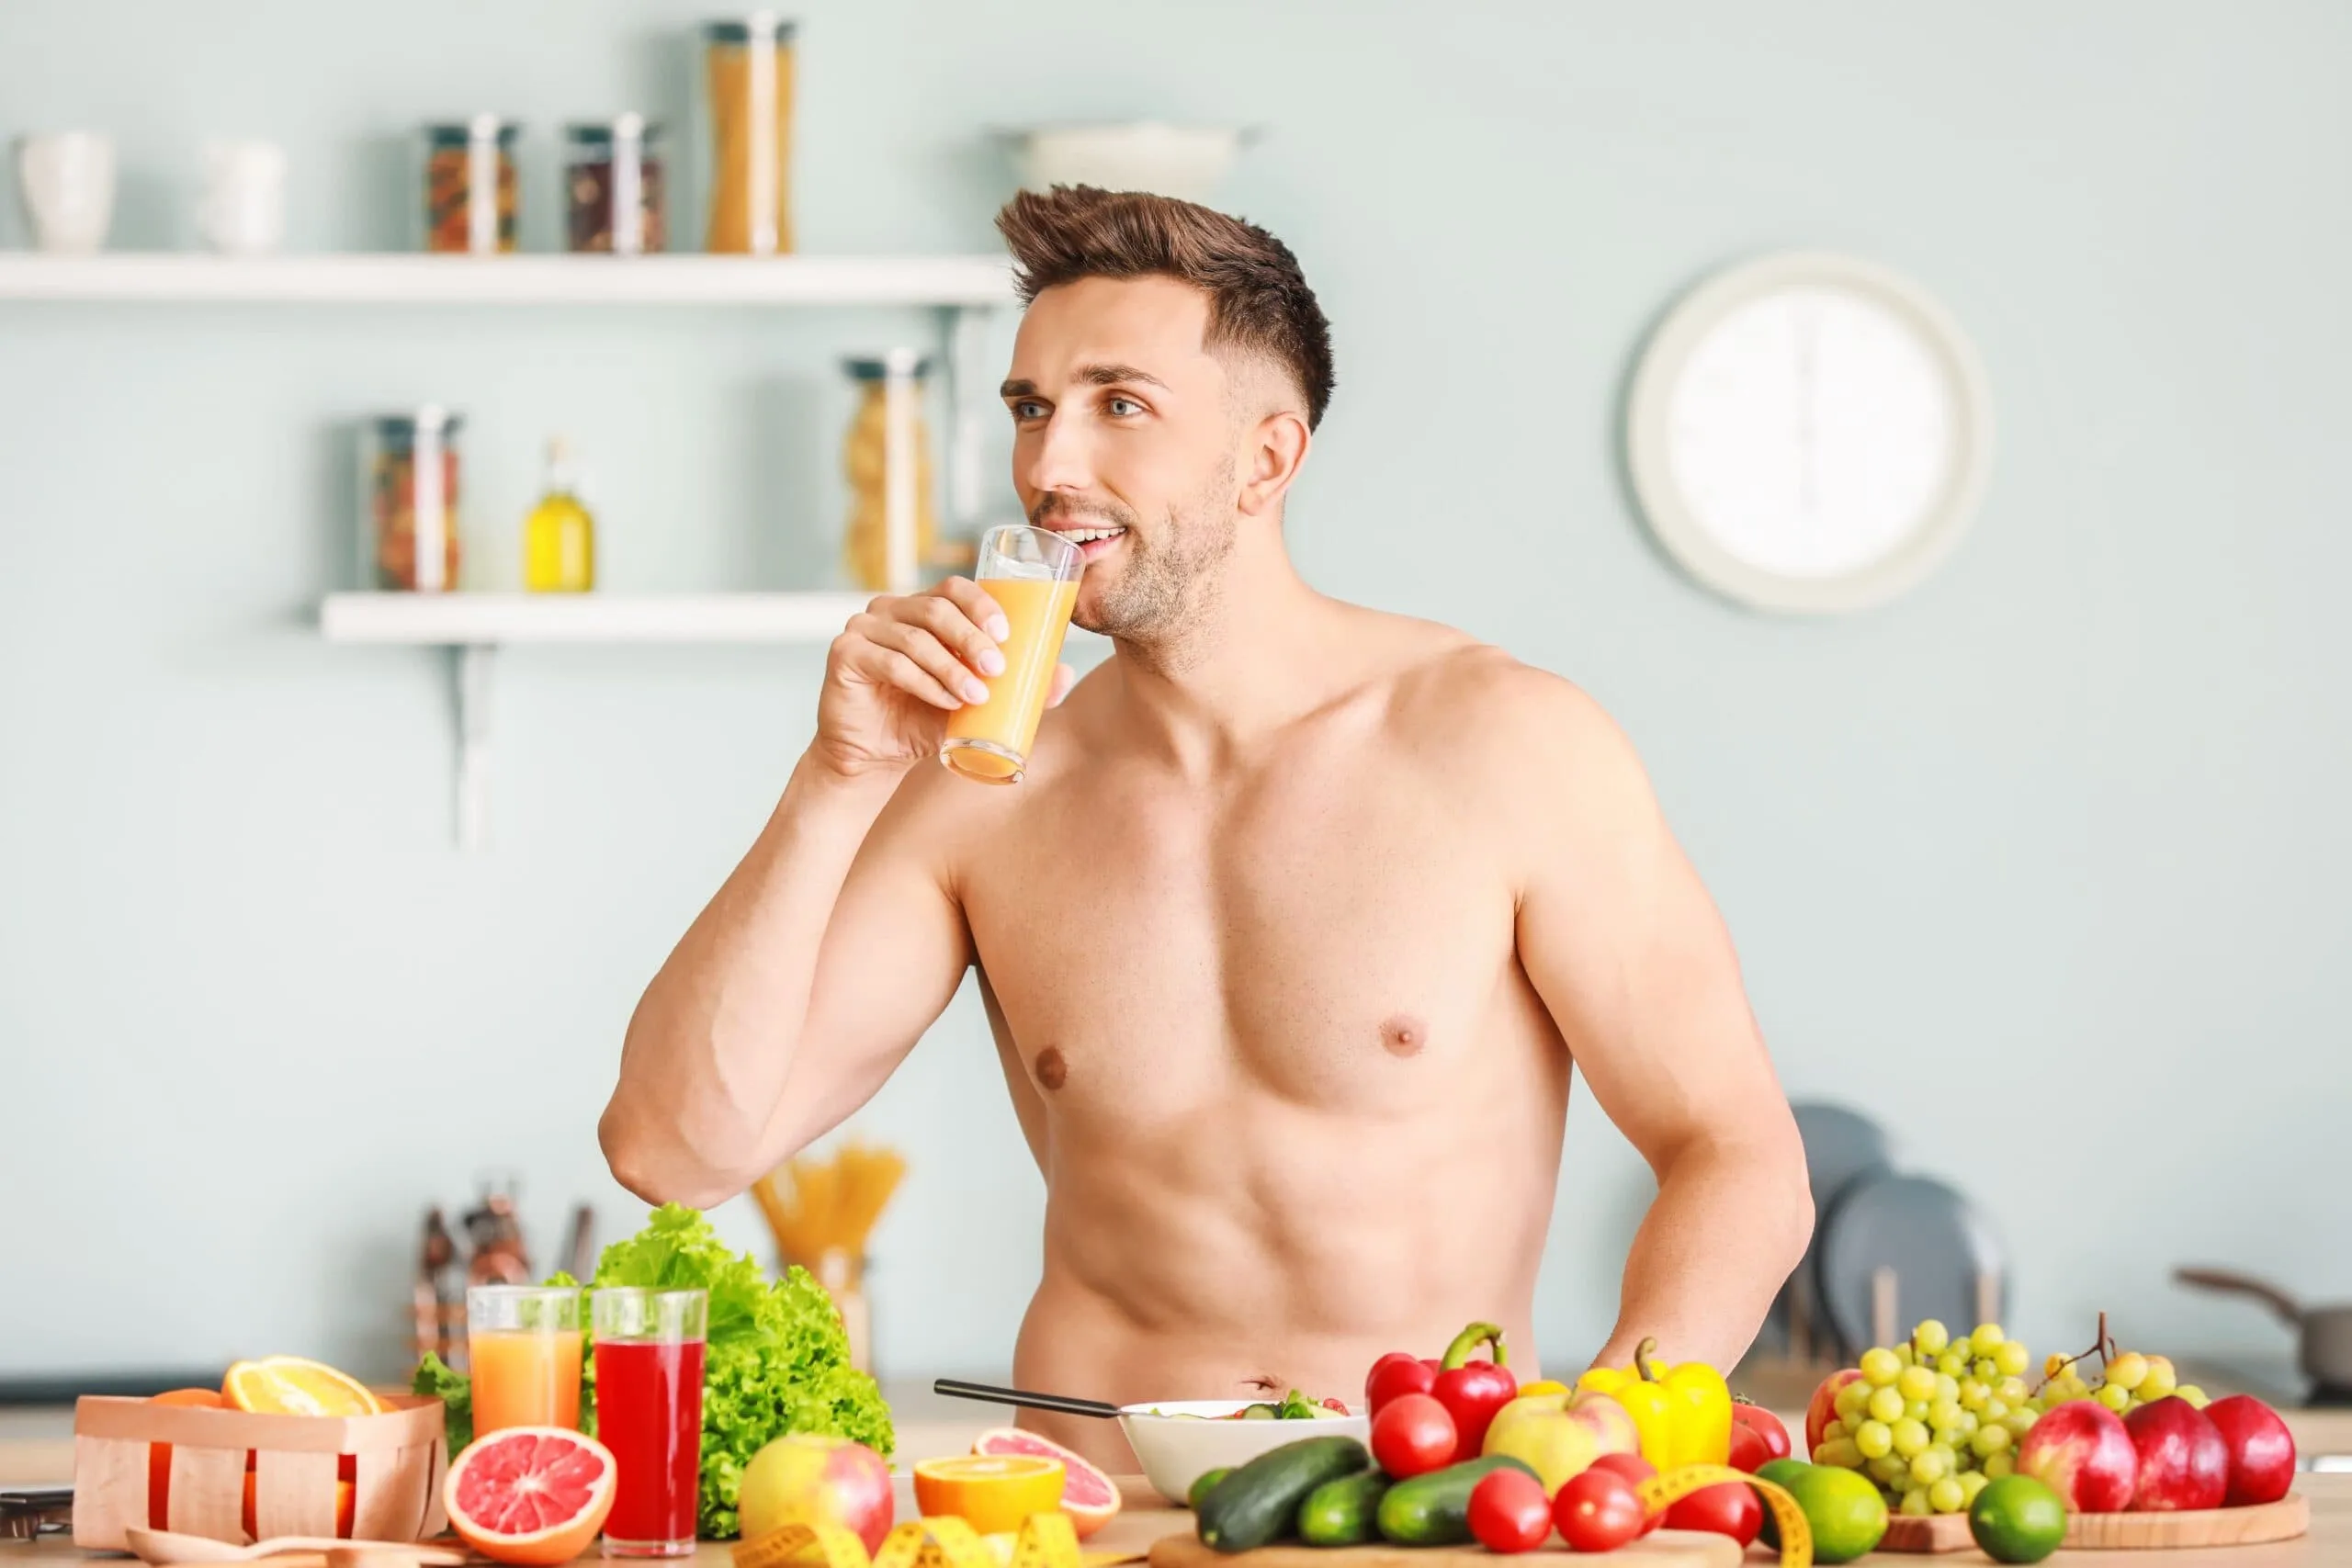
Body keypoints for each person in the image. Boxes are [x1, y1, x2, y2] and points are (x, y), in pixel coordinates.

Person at [601, 186, 1812, 1467]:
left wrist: (1606, 1420)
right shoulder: (985, 788)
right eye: (1030, 408)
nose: (1049, 465)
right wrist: (837, 776)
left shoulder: (1506, 745)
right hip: (1091, 1523)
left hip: (1409, 1522)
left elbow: (1736, 1156)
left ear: (1266, 459)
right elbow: (674, 1149)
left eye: (1119, 405)